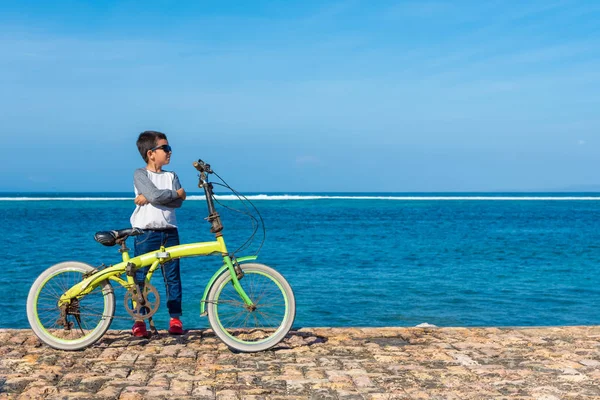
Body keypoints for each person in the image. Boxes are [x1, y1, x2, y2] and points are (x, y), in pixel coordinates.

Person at [129, 130, 187, 337]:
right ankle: (139, 321)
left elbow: (179, 202)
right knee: (141, 279)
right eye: (166, 148)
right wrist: (167, 195)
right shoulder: (140, 174)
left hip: (170, 232)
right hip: (146, 233)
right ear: (151, 153)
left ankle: (175, 319)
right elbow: (166, 195)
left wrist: (154, 198)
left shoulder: (172, 175)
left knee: (172, 278)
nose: (170, 152)